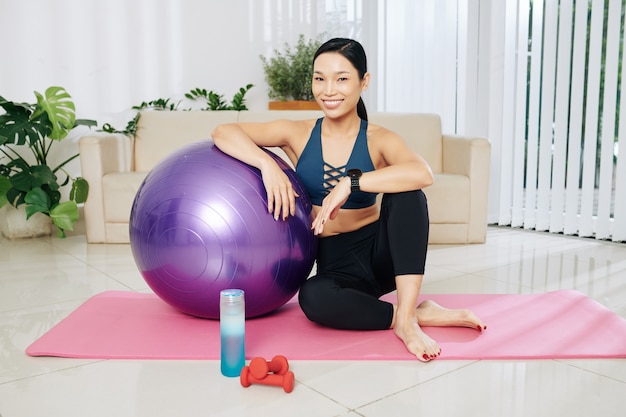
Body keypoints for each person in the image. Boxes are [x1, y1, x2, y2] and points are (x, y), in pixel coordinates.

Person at [212, 37, 486, 362]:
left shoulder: (379, 138)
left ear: (363, 81)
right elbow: (223, 131)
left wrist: (351, 183)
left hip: (382, 255)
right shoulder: (297, 133)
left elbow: (421, 173)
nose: (329, 90)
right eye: (320, 78)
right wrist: (266, 163)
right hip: (336, 263)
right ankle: (413, 314)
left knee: (409, 195)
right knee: (313, 298)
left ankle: (407, 322)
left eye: (342, 78)